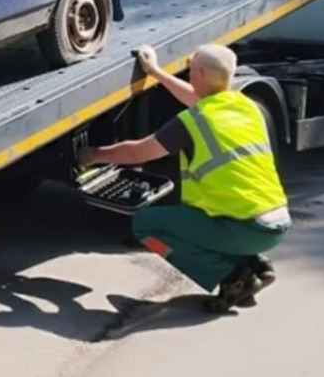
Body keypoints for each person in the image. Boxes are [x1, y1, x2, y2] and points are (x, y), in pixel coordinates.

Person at [78, 43, 291, 313]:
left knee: (145, 225)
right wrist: (155, 71)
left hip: (245, 229)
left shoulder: (193, 122)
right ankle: (254, 264)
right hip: (275, 224)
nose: (188, 74)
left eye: (191, 69)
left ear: (198, 74)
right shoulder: (244, 107)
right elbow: (195, 97)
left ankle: (233, 278)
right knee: (210, 220)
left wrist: (93, 154)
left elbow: (137, 153)